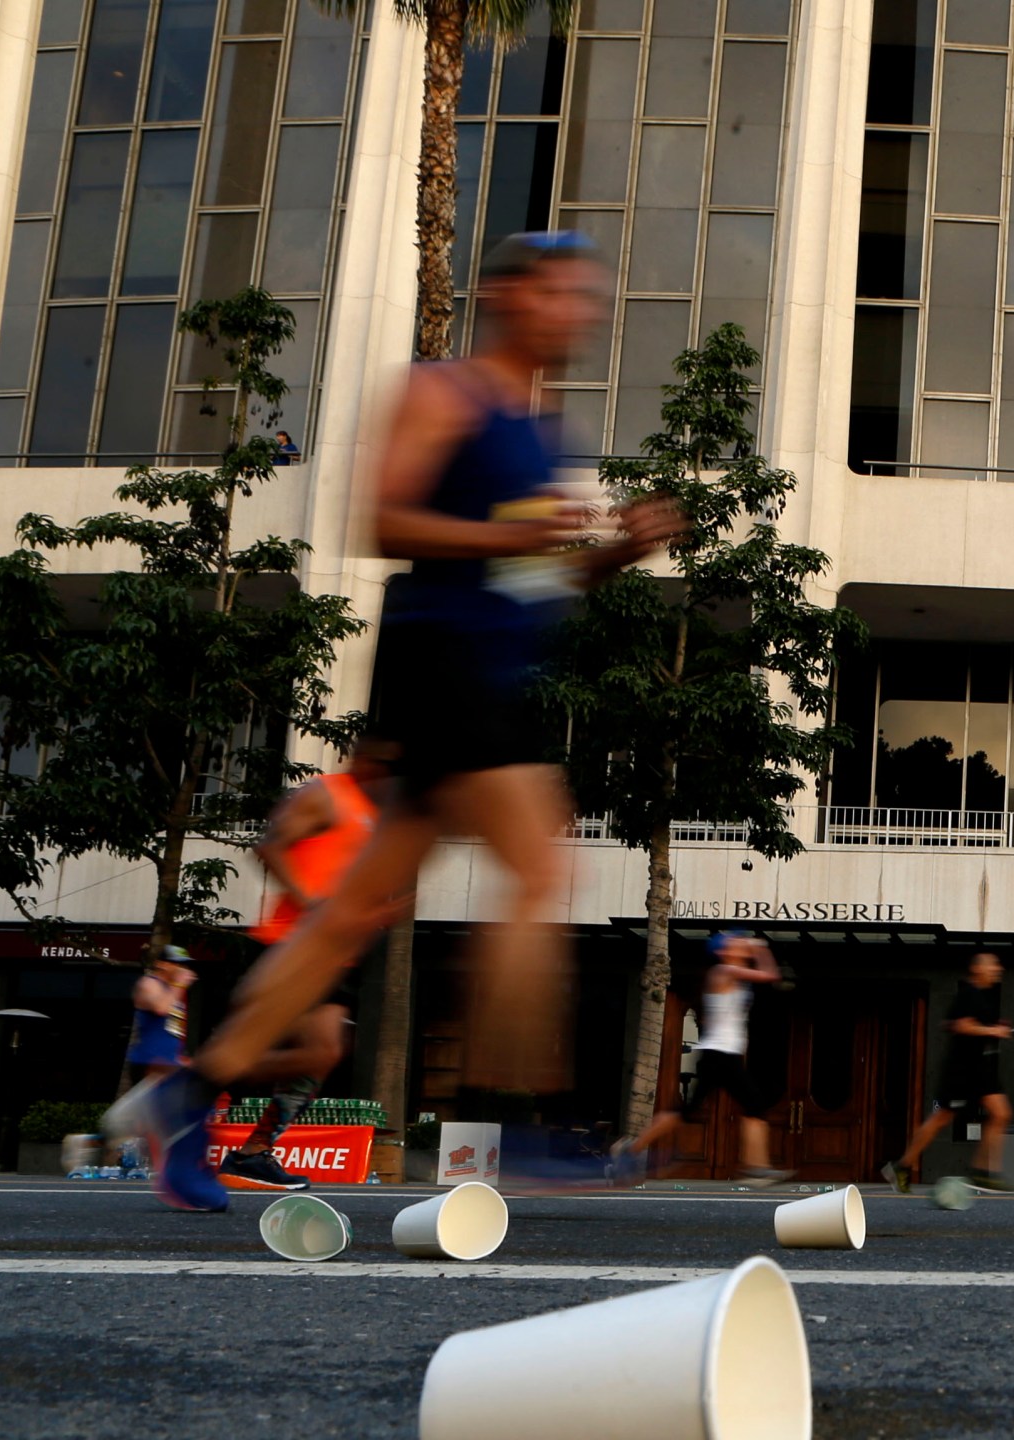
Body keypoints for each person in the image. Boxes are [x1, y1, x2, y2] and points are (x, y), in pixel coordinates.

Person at [107, 231, 682, 1212]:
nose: (578, 312)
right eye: (559, 293)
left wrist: (614, 557)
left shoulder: (545, 432)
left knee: (347, 920)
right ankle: (524, 1124)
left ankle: (188, 1096)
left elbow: (531, 575)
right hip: (444, 660)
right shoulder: (442, 392)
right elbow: (384, 519)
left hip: (482, 670)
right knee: (542, 864)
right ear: (506, 296)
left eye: (587, 297)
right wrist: (511, 535)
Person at [218, 757, 388, 1191]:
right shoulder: (329, 793)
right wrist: (314, 906)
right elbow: (270, 845)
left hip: (331, 955)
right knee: (316, 1052)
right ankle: (194, 1084)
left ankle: (251, 1152)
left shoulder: (382, 814)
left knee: (322, 1055)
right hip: (294, 944)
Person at [617, 933, 791, 1188]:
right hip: (721, 1056)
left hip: (720, 1055)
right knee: (755, 1106)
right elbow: (770, 976)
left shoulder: (732, 976)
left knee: (687, 1112)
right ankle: (757, 1168)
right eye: (736, 943)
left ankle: (631, 1148)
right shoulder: (724, 971)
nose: (742, 945)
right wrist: (761, 949)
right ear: (723, 951)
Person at [884, 951, 1014, 1192]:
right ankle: (902, 1165)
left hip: (981, 1068)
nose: (998, 969)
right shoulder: (968, 994)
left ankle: (985, 1171)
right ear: (977, 969)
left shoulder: (986, 997)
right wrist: (992, 1031)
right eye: (992, 965)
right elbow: (959, 1025)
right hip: (962, 1069)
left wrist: (994, 1028)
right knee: (941, 1118)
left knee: (1001, 1113)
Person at [125, 949, 194, 1085]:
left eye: (183, 965)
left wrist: (179, 1057)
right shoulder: (149, 983)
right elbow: (162, 1009)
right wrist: (179, 984)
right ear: (161, 964)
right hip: (149, 1061)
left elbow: (172, 1028)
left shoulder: (174, 990)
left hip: (168, 1062)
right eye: (175, 964)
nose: (180, 969)